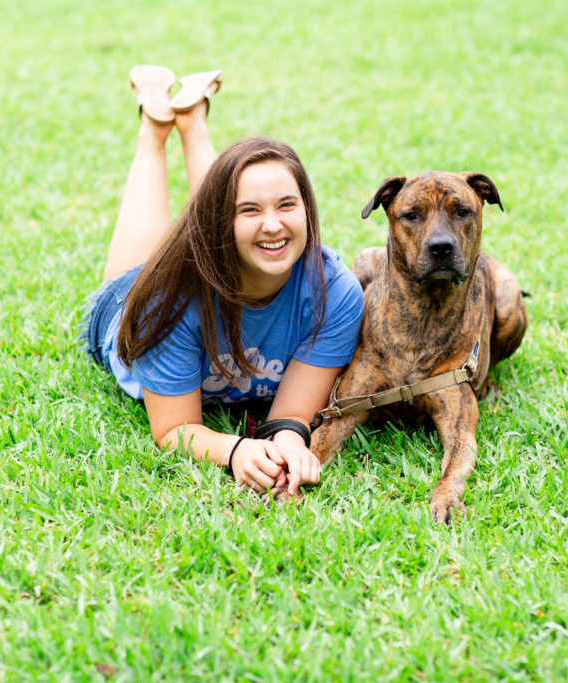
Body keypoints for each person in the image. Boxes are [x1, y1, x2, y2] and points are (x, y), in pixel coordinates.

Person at [82, 65, 363, 497]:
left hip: (213, 270)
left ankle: (192, 121)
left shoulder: (336, 293)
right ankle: (154, 127)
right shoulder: (167, 304)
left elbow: (290, 415)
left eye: (287, 205)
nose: (273, 224)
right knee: (174, 231)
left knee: (236, 212)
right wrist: (235, 451)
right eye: (251, 210)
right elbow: (175, 429)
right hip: (129, 303)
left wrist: (287, 444)